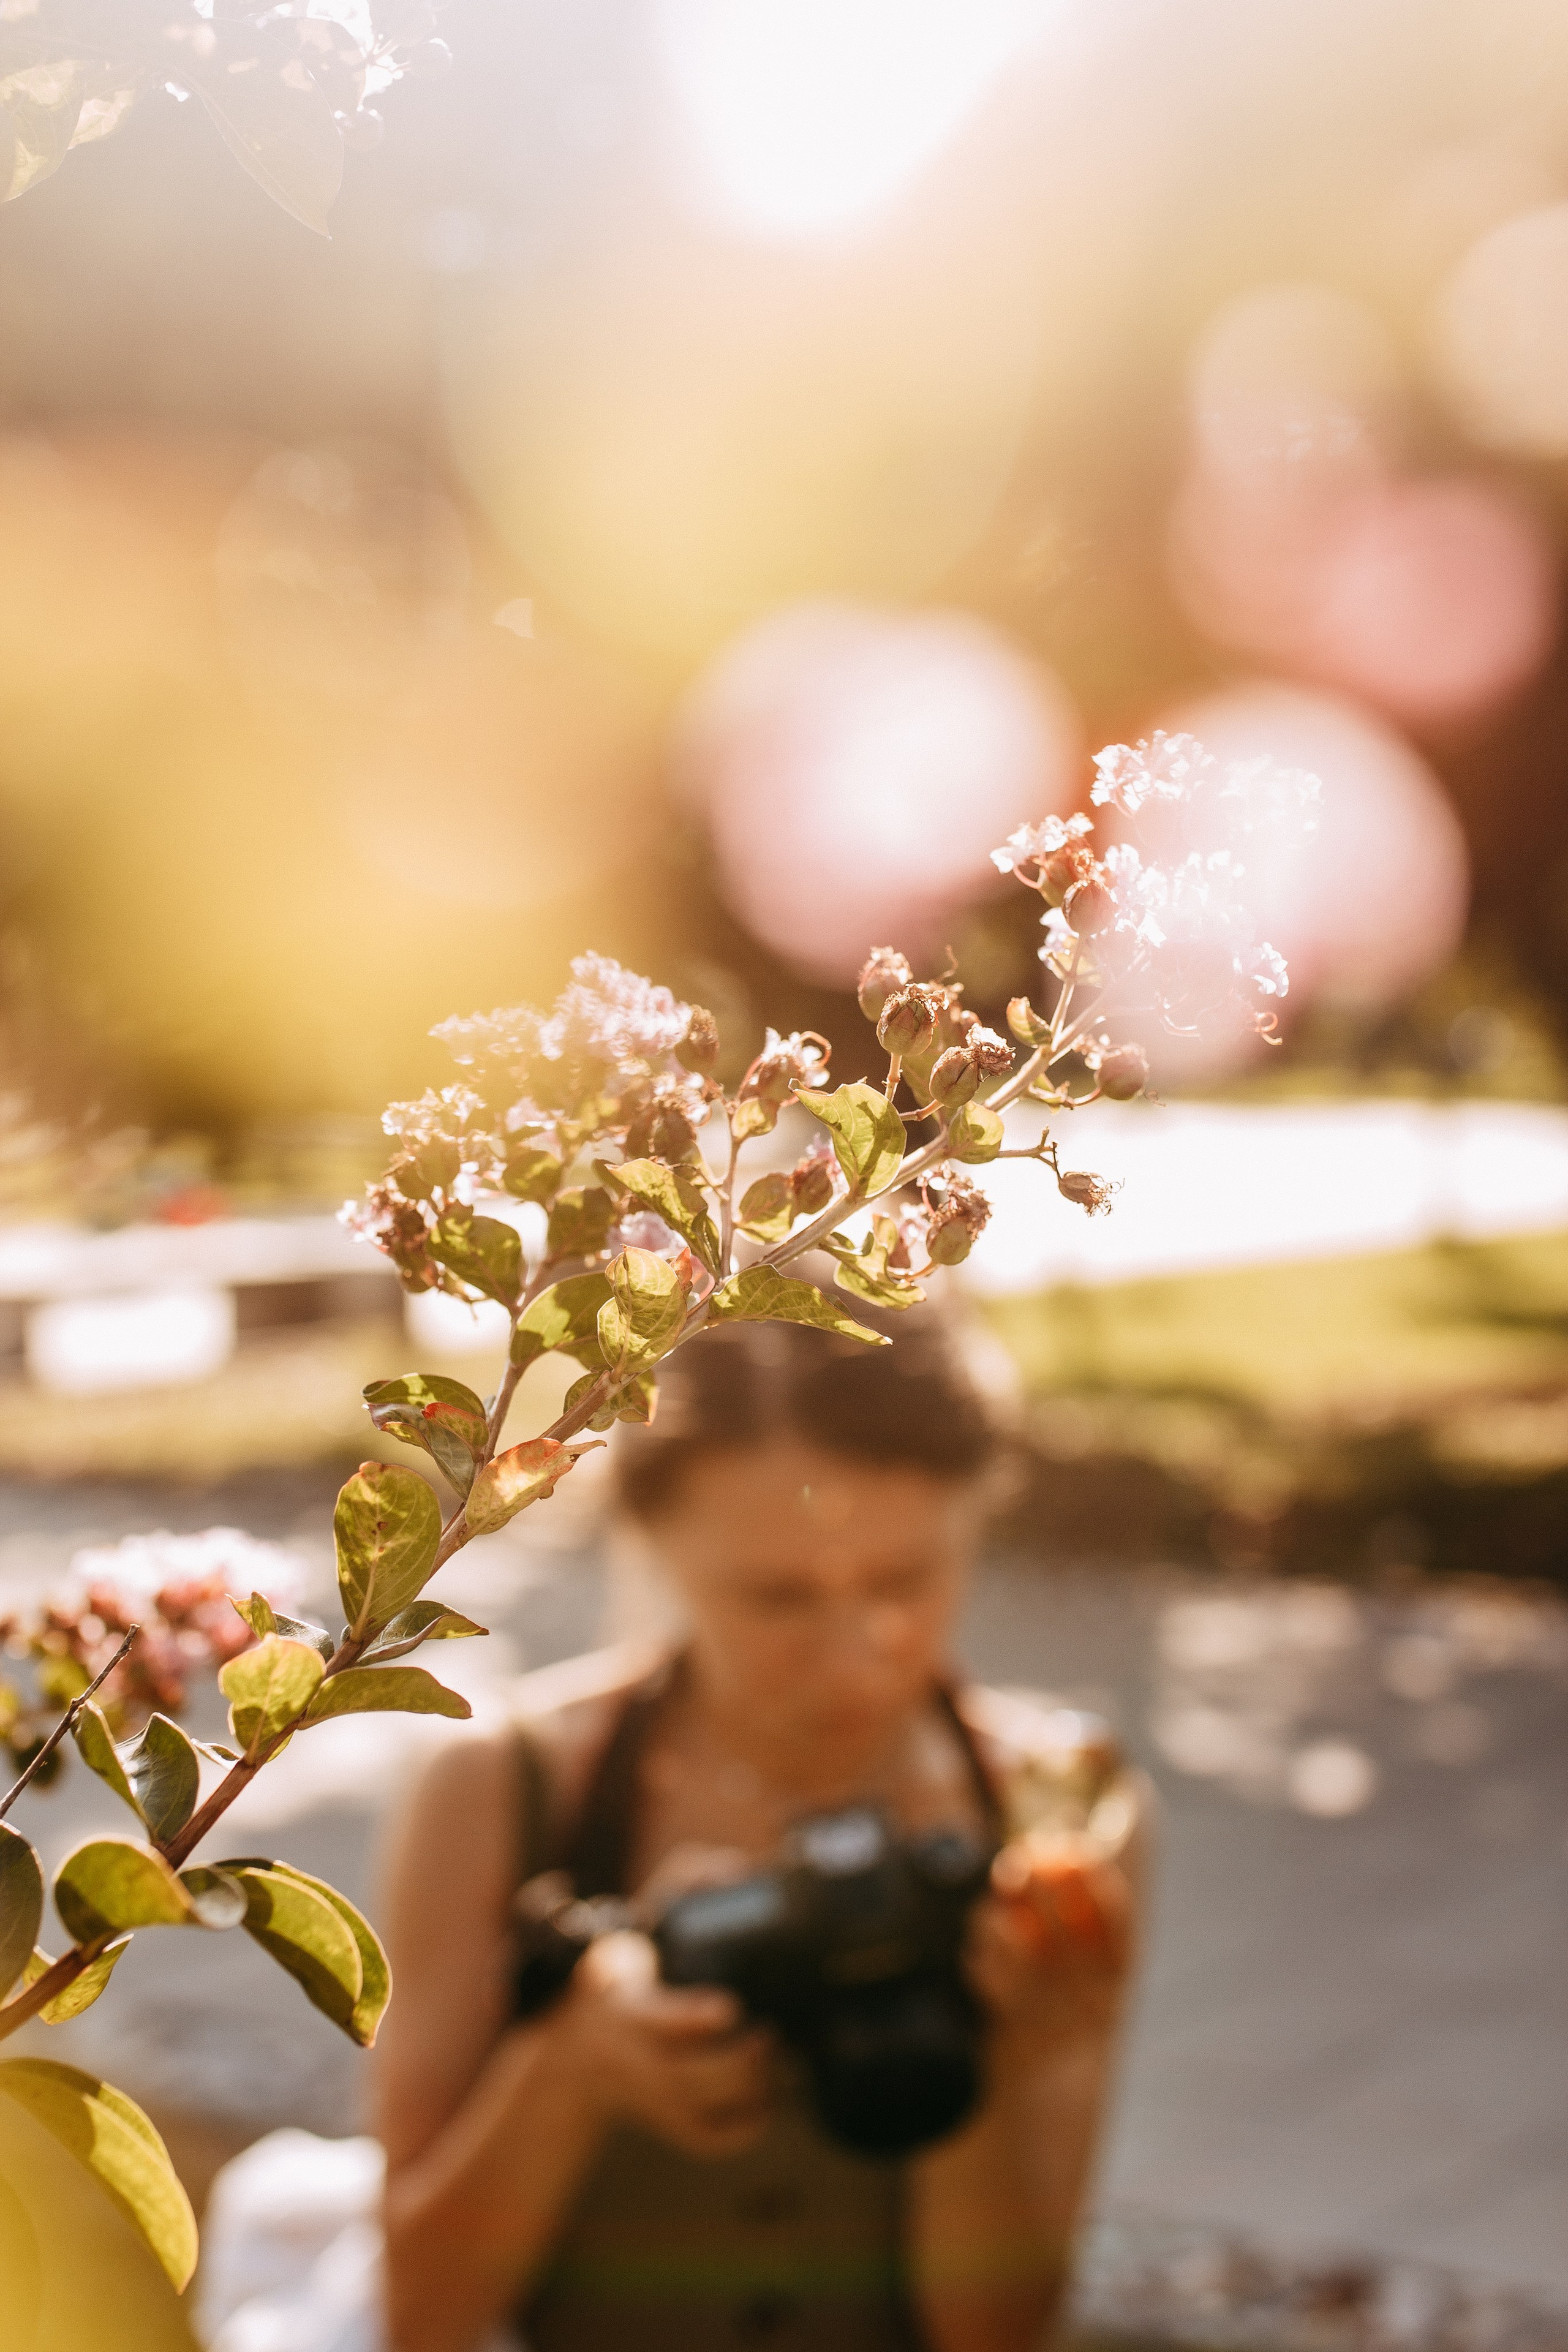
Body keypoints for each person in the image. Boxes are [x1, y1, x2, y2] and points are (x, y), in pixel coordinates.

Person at [374, 1295, 1147, 2352]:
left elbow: (1003, 2333)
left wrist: (994, 2067)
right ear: (651, 1539)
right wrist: (569, 2070)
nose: (857, 1649)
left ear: (978, 1517)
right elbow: (420, 2317)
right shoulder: (501, 1788)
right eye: (778, 1597)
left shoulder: (1056, 1810)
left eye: (905, 1578)